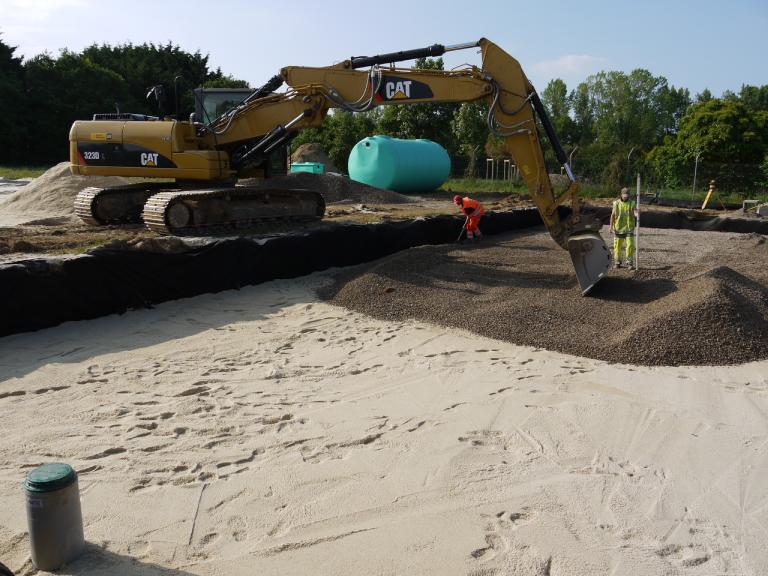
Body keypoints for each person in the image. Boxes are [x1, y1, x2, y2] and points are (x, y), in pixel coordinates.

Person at [609, 187, 639, 269]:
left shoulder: (632, 203)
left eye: (627, 195)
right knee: (617, 247)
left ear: (629, 195)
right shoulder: (616, 203)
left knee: (630, 245)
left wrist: (637, 213)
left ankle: (629, 263)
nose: (625, 197)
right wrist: (610, 227)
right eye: (624, 195)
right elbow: (613, 215)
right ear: (621, 195)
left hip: (629, 229)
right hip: (618, 229)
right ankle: (617, 262)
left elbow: (635, 212)